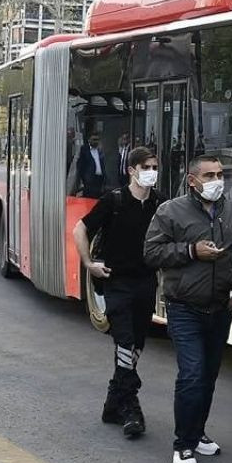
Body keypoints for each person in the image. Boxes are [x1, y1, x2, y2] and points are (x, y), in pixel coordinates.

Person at [144, 155, 232, 463]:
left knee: (208, 376)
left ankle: (198, 431)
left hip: (220, 308)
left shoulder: (230, 212)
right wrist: (192, 251)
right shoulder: (170, 211)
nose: (217, 180)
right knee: (191, 375)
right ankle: (183, 445)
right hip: (184, 307)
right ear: (193, 180)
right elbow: (151, 253)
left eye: (220, 174)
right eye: (209, 175)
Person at [71, 147, 164, 439]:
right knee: (124, 341)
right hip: (117, 283)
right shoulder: (114, 201)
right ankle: (130, 406)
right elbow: (80, 229)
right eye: (146, 167)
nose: (152, 172)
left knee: (136, 344)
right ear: (132, 170)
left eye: (154, 166)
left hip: (146, 283)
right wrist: (89, 264)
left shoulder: (161, 204)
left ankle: (114, 402)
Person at [77, 133, 106, 197]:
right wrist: (84, 179)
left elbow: (102, 164)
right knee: (89, 200)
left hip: (99, 180)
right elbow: (80, 166)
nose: (96, 141)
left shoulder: (100, 150)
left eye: (97, 139)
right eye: (94, 139)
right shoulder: (84, 150)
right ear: (89, 140)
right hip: (89, 181)